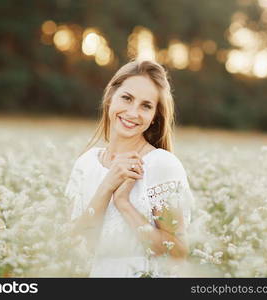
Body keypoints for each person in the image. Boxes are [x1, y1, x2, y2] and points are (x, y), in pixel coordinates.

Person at [64, 59, 195, 277]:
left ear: (155, 117)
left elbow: (178, 251)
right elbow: (75, 243)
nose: (133, 112)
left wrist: (124, 204)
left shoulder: (161, 164)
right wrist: (107, 187)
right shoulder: (85, 163)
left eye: (146, 106)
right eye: (127, 98)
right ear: (110, 99)